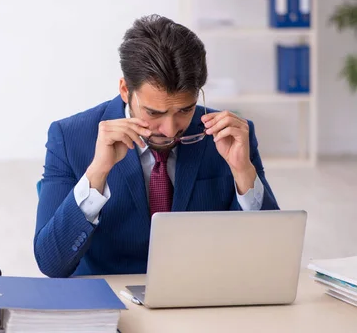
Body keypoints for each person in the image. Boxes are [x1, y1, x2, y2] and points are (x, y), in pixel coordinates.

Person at [33, 14, 280, 278]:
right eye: (154, 113)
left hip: (201, 298)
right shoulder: (69, 137)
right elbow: (52, 264)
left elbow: (271, 256)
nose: (171, 129)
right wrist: (97, 174)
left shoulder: (230, 135)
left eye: (185, 110)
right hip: (110, 303)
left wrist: (243, 172)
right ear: (126, 90)